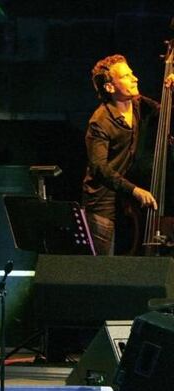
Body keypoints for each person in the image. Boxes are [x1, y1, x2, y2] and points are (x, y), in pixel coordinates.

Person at [82, 54, 174, 255]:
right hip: (103, 203)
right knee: (103, 267)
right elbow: (99, 168)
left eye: (132, 73)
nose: (135, 78)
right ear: (110, 87)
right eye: (126, 76)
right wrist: (135, 190)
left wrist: (171, 91)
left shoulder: (138, 104)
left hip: (125, 201)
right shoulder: (100, 121)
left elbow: (167, 113)